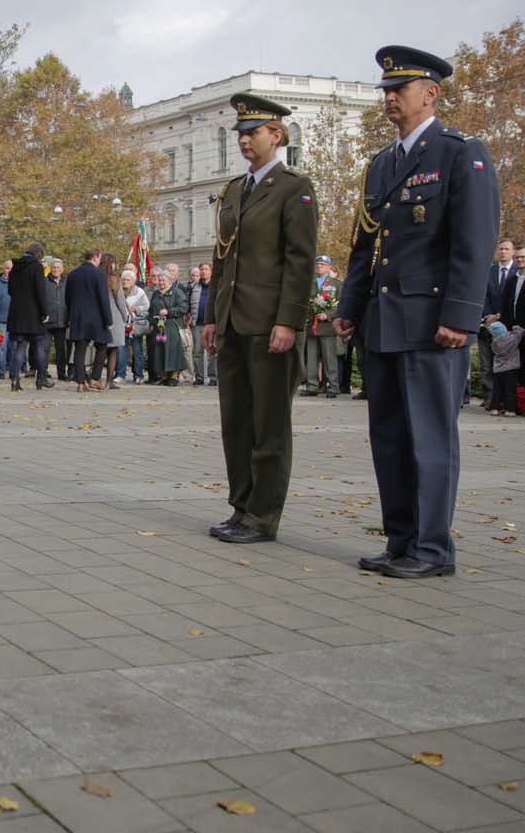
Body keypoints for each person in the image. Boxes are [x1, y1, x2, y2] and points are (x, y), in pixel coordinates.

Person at [334, 45, 499, 579]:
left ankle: (433, 548)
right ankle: (400, 540)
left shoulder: (459, 152)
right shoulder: (383, 163)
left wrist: (461, 315)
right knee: (389, 438)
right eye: (385, 90)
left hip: (433, 324)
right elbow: (366, 246)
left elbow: (473, 243)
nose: (388, 99)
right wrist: (350, 306)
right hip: (384, 322)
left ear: (429, 94)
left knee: (430, 438)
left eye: (398, 90)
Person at [203, 93, 318, 544]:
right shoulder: (234, 190)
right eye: (241, 134)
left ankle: (263, 516)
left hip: (270, 323)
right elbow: (222, 256)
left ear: (277, 134)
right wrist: (213, 315)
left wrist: (289, 321)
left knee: (269, 425)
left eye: (253, 132)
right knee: (237, 423)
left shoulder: (294, 188)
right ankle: (241, 506)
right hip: (234, 322)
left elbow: (300, 261)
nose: (245, 140)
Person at [64, 250, 113, 391]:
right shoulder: (99, 274)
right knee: (102, 346)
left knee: (79, 349)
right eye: (100, 257)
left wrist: (70, 316)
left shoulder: (73, 274)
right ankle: (95, 378)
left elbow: (67, 298)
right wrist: (108, 321)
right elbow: (104, 299)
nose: (100, 260)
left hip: (78, 317)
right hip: (97, 318)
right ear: (94, 257)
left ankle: (80, 382)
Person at [500, 244, 525, 412]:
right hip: (513, 331)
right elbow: (506, 305)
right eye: (517, 257)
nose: (519, 260)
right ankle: (521, 403)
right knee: (518, 368)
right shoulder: (512, 279)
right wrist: (507, 327)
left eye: (523, 257)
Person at [6, 244, 50, 391]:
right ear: (38, 254)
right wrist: (45, 312)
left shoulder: (14, 268)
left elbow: (10, 290)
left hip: (17, 314)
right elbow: (41, 292)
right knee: (39, 346)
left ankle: (14, 380)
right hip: (34, 314)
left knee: (20, 347)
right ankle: (42, 378)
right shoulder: (36, 267)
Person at [479, 238, 516, 404]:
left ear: (513, 252)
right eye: (501, 249)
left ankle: (507, 399)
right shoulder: (489, 271)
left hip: (509, 324)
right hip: (487, 323)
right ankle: (490, 397)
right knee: (487, 364)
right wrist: (488, 316)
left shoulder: (519, 271)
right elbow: (483, 295)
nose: (503, 252)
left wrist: (500, 315)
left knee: (506, 365)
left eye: (507, 249)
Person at [301, 255, 342, 398]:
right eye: (318, 264)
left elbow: (342, 304)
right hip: (312, 325)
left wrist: (328, 314)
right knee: (311, 358)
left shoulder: (336, 284)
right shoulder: (309, 284)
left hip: (328, 326)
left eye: (323, 264)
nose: (319, 266)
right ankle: (312, 385)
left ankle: (333, 386)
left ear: (330, 267)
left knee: (329, 358)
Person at [148, 271, 188, 384]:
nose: (160, 282)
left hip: (171, 327)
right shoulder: (156, 294)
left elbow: (184, 308)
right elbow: (151, 310)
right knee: (160, 350)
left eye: (163, 280)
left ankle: (174, 376)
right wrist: (151, 322)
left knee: (172, 350)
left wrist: (169, 311)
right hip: (159, 328)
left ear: (170, 281)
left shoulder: (177, 293)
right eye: (159, 280)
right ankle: (163, 376)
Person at [102, 256, 128, 388]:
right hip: (114, 317)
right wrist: (126, 317)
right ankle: (109, 381)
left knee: (100, 349)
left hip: (100, 317)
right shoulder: (114, 279)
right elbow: (121, 302)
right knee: (113, 351)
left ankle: (95, 377)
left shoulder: (98, 278)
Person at [189, 263, 216, 386]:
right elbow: (189, 303)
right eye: (202, 269)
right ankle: (199, 377)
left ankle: (213, 377)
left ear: (211, 271)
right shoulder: (194, 287)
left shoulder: (216, 286)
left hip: (212, 324)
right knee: (197, 352)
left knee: (212, 351)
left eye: (206, 269)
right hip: (197, 324)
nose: (204, 272)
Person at [122, 268, 149, 383]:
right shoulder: (118, 291)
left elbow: (147, 307)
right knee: (121, 351)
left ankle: (138, 375)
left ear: (133, 281)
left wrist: (136, 309)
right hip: (122, 325)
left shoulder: (139, 292)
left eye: (128, 280)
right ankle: (120, 374)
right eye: (123, 280)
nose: (125, 282)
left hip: (136, 326)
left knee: (137, 351)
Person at [43, 258, 67, 384]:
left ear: (62, 269)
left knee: (61, 349)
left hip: (62, 320)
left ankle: (62, 373)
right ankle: (44, 372)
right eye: (54, 268)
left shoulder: (66, 282)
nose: (56, 270)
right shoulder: (45, 281)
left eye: (58, 268)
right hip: (48, 321)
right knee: (45, 348)